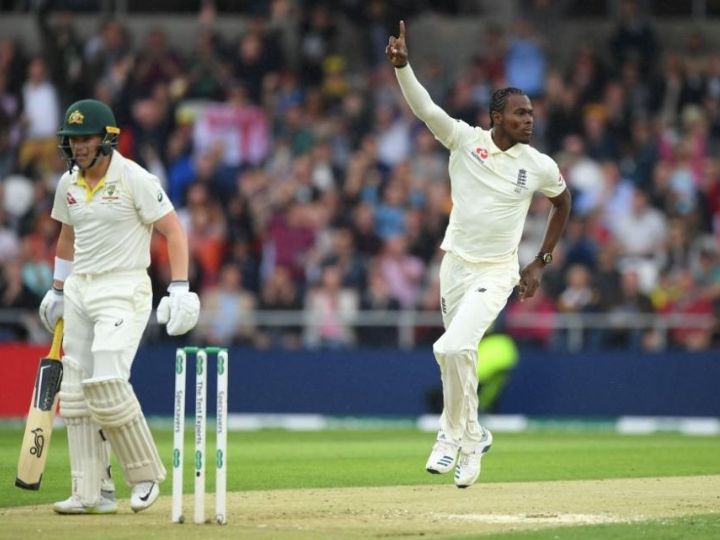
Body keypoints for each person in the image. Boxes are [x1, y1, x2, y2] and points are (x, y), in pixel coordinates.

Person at [386, 21, 571, 488]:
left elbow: (563, 203)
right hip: (456, 265)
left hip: (498, 271)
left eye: (531, 113)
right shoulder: (466, 142)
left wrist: (540, 262)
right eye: (519, 114)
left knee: (450, 347)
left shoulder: (539, 165)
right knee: (460, 356)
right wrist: (404, 68)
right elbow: (426, 110)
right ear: (496, 118)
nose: (529, 120)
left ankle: (448, 436)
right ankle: (474, 440)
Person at [37, 99, 200, 514]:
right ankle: (92, 492)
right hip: (79, 291)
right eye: (71, 140)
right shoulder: (67, 183)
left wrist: (179, 288)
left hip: (124, 288)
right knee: (74, 393)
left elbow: (174, 230)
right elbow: (66, 238)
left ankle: (144, 475)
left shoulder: (135, 178)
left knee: (107, 377)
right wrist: (57, 289)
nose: (77, 148)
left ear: (108, 140)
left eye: (85, 139)